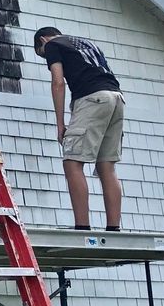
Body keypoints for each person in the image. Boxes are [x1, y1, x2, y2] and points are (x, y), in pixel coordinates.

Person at [34, 27, 125, 231]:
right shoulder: (86, 43)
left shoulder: (52, 45)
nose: (46, 57)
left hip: (91, 98)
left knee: (72, 162)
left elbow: (58, 82)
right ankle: (114, 228)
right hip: (116, 98)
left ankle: (82, 226)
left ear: (43, 40)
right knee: (106, 166)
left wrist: (60, 124)